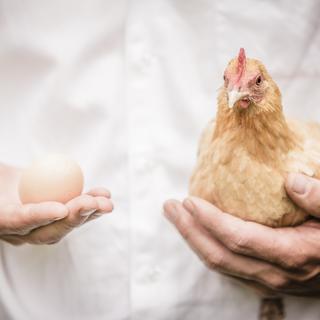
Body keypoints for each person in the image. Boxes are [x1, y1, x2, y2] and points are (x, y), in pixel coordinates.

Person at [0, 1, 320, 319]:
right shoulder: (214, 140)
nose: (236, 91)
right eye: (229, 84)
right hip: (48, 294)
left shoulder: (299, 164)